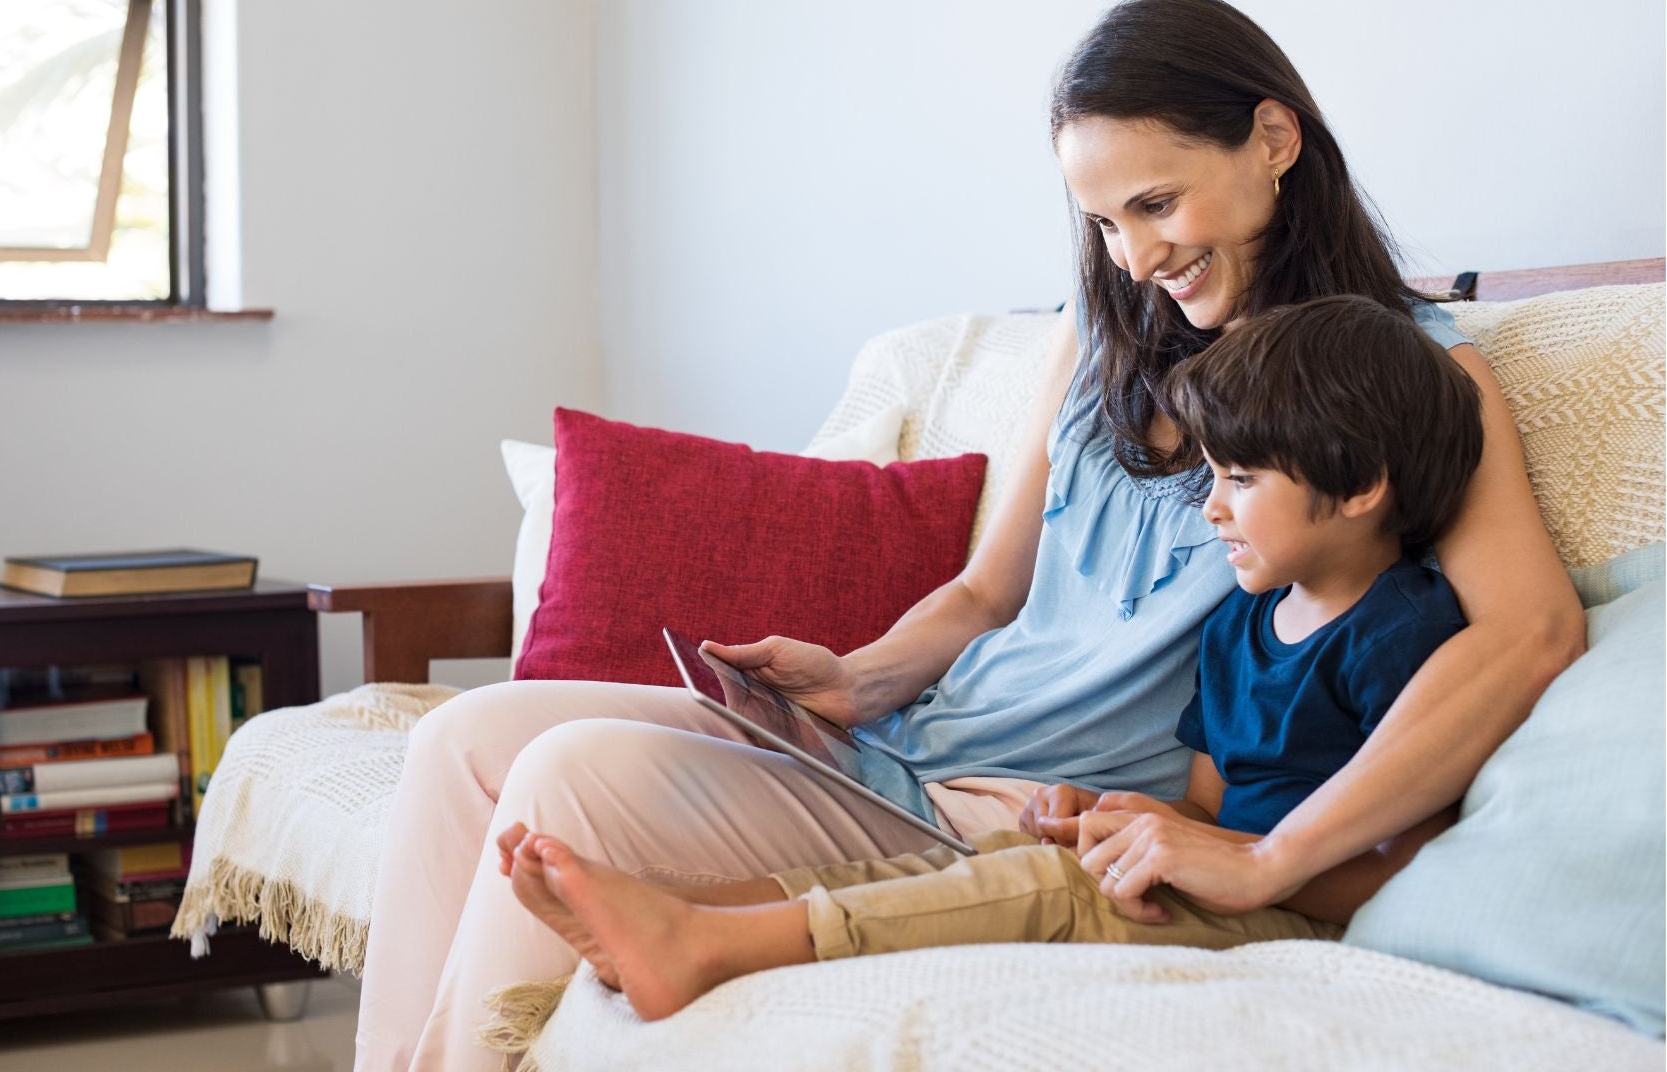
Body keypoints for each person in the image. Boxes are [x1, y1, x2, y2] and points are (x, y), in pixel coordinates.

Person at [355, 0, 1584, 1071]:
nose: (1137, 253)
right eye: (1103, 221)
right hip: (909, 744)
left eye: (1155, 202)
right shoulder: (1100, 331)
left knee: (570, 774)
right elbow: (988, 594)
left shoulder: (1408, 382)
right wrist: (851, 675)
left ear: (1272, 139)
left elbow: (1528, 633)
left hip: (1040, 805)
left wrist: (1273, 857)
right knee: (461, 741)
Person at [497, 294, 1487, 1019]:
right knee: (1023, 855)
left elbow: (1411, 857)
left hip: (1288, 910)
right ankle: (677, 912)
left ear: (1358, 484)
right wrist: (1116, 817)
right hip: (1212, 875)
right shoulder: (1237, 624)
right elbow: (1201, 804)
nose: (1211, 505)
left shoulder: (1402, 631)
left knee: (1044, 888)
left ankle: (700, 937)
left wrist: (1246, 867)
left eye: (1238, 477)